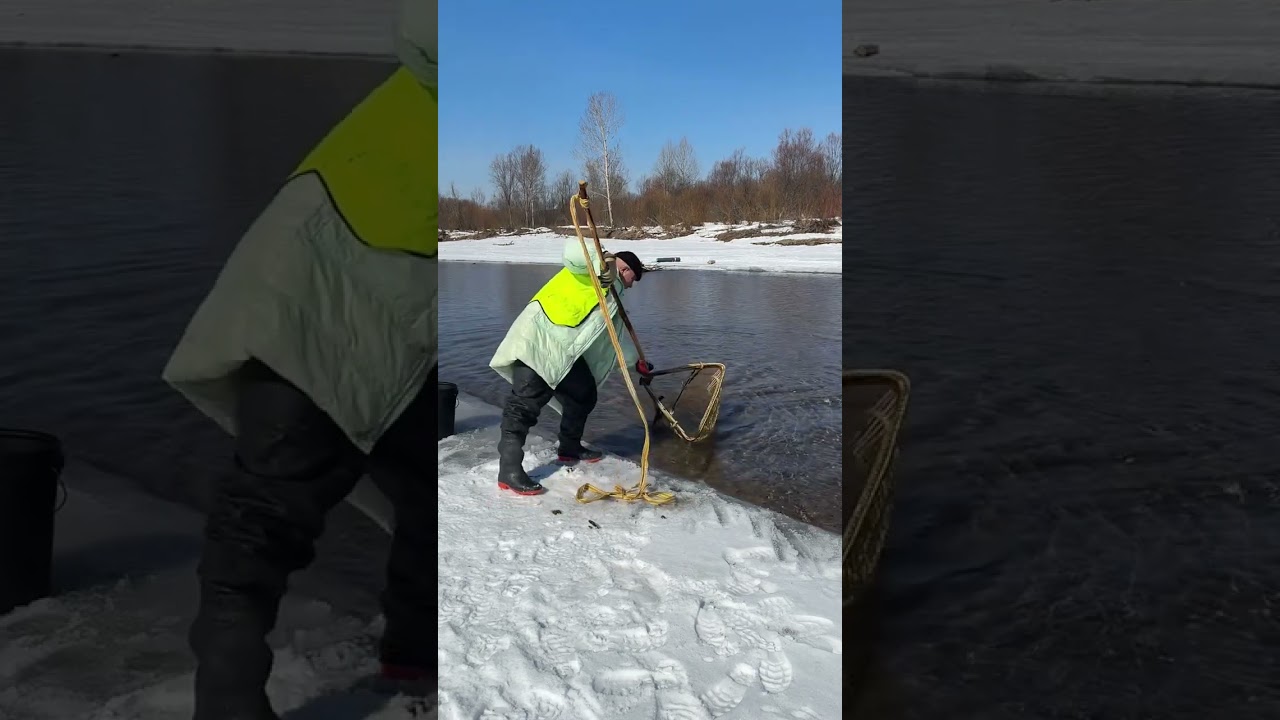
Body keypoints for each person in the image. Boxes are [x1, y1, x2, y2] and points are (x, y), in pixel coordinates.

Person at [159, 1, 437, 717]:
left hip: (327, 298)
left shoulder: (433, 87)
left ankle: (412, 657)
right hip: (325, 314)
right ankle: (228, 703)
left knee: (425, 491)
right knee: (265, 517)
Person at [489, 239, 654, 495]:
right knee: (524, 406)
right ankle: (509, 471)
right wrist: (603, 262)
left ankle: (569, 447)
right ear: (625, 269)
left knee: (584, 394)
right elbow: (573, 249)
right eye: (634, 278)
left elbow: (616, 339)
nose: (633, 285)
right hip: (539, 341)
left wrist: (637, 365)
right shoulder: (587, 269)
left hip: (565, 353)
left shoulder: (612, 296)